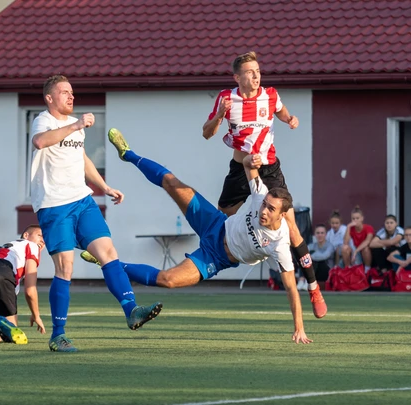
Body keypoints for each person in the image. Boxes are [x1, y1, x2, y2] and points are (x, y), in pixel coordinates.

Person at [83, 128, 313, 344]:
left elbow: (292, 289)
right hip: (215, 223)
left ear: (283, 216)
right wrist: (250, 160)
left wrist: (299, 327)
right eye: (264, 205)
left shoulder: (280, 245)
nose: (263, 210)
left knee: (168, 280)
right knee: (172, 183)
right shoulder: (260, 193)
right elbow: (245, 164)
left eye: (271, 209)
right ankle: (129, 154)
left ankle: (111, 263)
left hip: (217, 257)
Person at [30, 75, 162, 352]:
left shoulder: (76, 128)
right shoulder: (44, 120)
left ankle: (131, 310)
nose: (71, 96)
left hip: (82, 200)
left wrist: (104, 187)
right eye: (64, 92)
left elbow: (82, 160)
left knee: (108, 252)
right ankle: (58, 335)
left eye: (72, 92)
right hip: (54, 205)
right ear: (49, 98)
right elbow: (40, 142)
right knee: (65, 267)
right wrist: (76, 124)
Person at [201, 51, 326, 318]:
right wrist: (218, 117)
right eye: (250, 71)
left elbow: (282, 112)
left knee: (292, 227)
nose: (256, 75)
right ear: (237, 77)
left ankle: (314, 287)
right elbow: (207, 133)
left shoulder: (270, 94)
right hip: (240, 167)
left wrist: (291, 119)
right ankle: (214, 261)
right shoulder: (227, 98)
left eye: (258, 70)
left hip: (269, 169)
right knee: (221, 217)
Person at [341, 206, 374, 270]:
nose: (355, 220)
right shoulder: (351, 228)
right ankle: (347, 269)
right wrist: (348, 227)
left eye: (357, 218)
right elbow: (345, 242)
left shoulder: (368, 227)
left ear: (362, 218)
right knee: (345, 248)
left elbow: (367, 241)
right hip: (355, 250)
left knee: (366, 249)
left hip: (365, 252)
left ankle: (367, 270)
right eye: (353, 218)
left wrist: (356, 251)